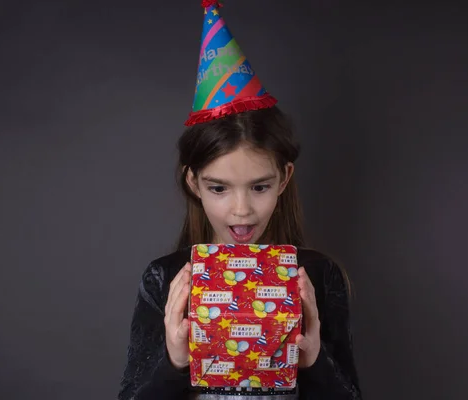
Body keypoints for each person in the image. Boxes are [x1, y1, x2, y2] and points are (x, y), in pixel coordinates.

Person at [117, 1, 362, 399]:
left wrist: (314, 360)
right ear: (193, 183)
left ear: (284, 179)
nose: (242, 209)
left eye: (259, 187)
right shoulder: (167, 280)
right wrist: (175, 361)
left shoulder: (316, 276)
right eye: (219, 188)